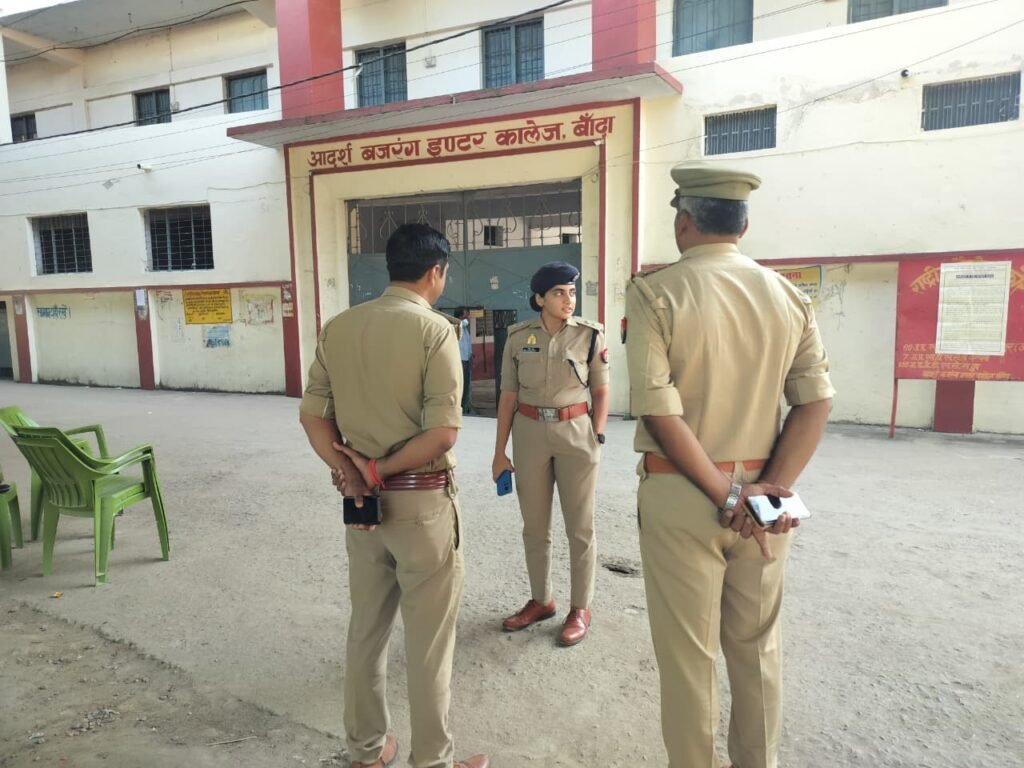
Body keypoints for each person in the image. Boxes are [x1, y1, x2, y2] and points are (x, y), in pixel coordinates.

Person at [625, 161, 834, 768]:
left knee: (689, 659)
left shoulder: (656, 293)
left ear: (683, 222)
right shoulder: (789, 296)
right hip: (766, 503)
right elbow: (816, 400)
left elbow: (660, 410)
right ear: (743, 226)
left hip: (685, 496)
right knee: (757, 650)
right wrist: (767, 490)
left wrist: (726, 495)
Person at [299, 223, 488, 768]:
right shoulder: (435, 331)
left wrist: (351, 472)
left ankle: (365, 750)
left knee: (366, 630)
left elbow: (313, 415)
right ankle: (432, 760)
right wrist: (378, 469)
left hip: (362, 510)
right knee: (429, 644)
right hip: (421, 505)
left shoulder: (339, 327)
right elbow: (442, 434)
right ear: (437, 272)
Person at [492, 261, 610, 647]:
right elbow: (508, 396)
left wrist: (597, 434)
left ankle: (581, 608)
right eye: (559, 293)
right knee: (534, 525)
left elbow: (601, 390)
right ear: (540, 298)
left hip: (576, 433)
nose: (568, 299)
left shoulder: (590, 335)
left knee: (580, 527)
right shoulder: (517, 338)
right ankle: (542, 600)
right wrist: (499, 452)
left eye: (572, 292)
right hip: (529, 434)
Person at [456, 308, 474, 415]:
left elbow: (468, 344)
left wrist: (471, 355)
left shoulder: (465, 329)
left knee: (466, 384)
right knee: (460, 384)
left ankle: (464, 406)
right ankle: (459, 406)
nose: (468, 316)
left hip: (467, 360)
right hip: (460, 360)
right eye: (466, 314)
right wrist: (466, 319)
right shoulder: (457, 325)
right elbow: (462, 323)